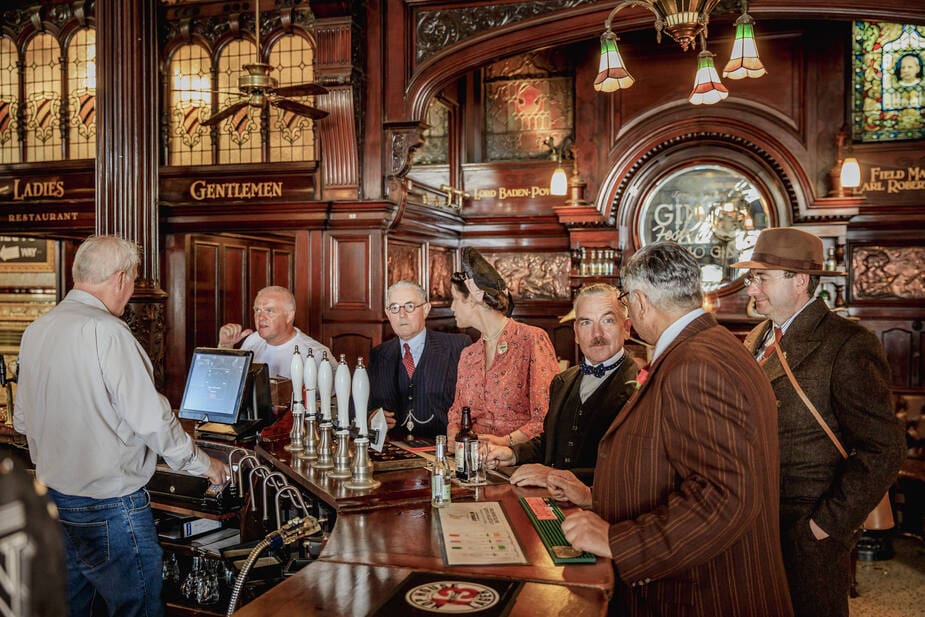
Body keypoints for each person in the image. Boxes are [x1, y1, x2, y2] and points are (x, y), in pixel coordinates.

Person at [555, 241, 792, 617]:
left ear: (640, 301)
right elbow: (671, 464)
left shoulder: (696, 363)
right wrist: (594, 496)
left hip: (703, 593)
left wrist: (619, 542)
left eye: (626, 303)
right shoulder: (708, 346)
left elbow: (725, 496)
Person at [14, 235, 228, 617]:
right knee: (139, 609)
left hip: (54, 500)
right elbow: (151, 419)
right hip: (110, 506)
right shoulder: (108, 332)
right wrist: (204, 465)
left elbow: (23, 421)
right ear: (120, 278)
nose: (129, 293)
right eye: (130, 283)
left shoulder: (37, 330)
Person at [732, 227, 905, 617]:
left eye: (761, 277)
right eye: (751, 277)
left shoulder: (847, 343)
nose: (751, 288)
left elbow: (884, 447)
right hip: (755, 521)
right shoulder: (759, 335)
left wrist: (825, 525)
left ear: (800, 281)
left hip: (806, 528)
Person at [486, 283, 638, 486]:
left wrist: (553, 476)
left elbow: (631, 469)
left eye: (607, 321)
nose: (597, 334)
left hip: (602, 508)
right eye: (586, 323)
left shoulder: (642, 387)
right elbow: (550, 443)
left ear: (626, 328)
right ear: (575, 332)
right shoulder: (562, 381)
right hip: (551, 501)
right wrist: (513, 454)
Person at [446, 247, 559, 447]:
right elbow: (456, 414)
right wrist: (454, 438)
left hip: (520, 459)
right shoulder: (468, 354)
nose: (452, 308)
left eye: (455, 299)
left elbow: (546, 416)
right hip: (474, 461)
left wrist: (505, 442)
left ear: (473, 299)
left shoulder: (531, 339)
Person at [367, 280, 470, 437]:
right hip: (395, 451)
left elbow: (475, 403)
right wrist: (370, 415)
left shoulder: (457, 347)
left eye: (410, 306)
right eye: (394, 308)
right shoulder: (378, 355)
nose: (402, 315)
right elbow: (358, 403)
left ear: (426, 309)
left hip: (444, 449)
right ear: (387, 313)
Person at [218, 285, 332, 378]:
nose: (261, 317)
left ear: (289, 316)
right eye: (257, 310)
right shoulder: (253, 339)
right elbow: (230, 382)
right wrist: (225, 346)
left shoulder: (317, 355)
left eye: (269, 311)